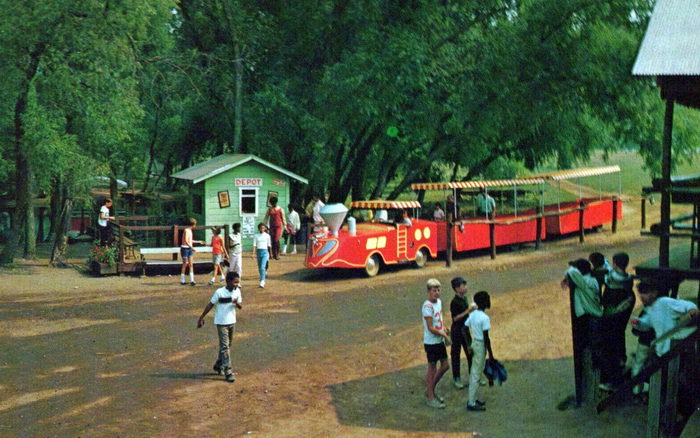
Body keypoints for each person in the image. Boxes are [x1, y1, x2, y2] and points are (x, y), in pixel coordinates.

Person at [632, 279, 699, 357]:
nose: (642, 296)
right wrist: (637, 322)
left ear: (654, 293)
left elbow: (686, 305)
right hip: (661, 349)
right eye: (640, 292)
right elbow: (646, 325)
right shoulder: (649, 310)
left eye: (645, 292)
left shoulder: (664, 302)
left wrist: (692, 309)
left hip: (673, 347)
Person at [196, 271, 242, 383]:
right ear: (228, 281)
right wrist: (201, 317)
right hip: (221, 323)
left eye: (238, 282)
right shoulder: (219, 292)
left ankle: (218, 364)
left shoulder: (237, 292)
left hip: (232, 322)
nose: (236, 285)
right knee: (225, 346)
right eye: (235, 282)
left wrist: (236, 303)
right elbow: (210, 304)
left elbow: (240, 306)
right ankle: (228, 371)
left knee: (227, 345)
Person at [599, 252, 634, 390]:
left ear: (614, 263)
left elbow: (607, 277)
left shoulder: (611, 279)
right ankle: (621, 360)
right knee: (619, 335)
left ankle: (611, 381)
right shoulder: (628, 278)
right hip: (624, 308)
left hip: (612, 313)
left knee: (609, 345)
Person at [422, 278, 450, 409]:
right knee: (432, 368)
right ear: (429, 292)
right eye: (434, 290)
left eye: (438, 290)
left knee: (445, 366)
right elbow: (430, 327)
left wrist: (444, 329)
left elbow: (438, 320)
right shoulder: (427, 306)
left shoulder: (438, 302)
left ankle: (430, 390)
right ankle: (430, 396)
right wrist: (443, 334)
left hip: (439, 340)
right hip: (431, 342)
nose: (437, 293)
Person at [465, 291, 495, 411]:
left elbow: (464, 328)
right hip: (481, 345)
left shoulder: (473, 314)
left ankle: (473, 399)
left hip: (474, 343)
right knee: (476, 374)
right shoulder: (485, 318)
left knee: (476, 371)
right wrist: (491, 354)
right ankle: (471, 402)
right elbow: (486, 338)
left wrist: (468, 345)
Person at [450, 277, 477, 390]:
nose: (465, 288)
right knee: (456, 355)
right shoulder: (454, 302)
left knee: (471, 353)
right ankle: (457, 379)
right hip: (457, 330)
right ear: (456, 289)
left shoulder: (465, 299)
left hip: (465, 329)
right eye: (462, 286)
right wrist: (468, 311)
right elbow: (455, 318)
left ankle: (473, 378)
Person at [180, 218, 204, 286]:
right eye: (195, 224)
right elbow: (186, 241)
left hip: (189, 249)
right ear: (193, 224)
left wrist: (198, 242)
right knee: (185, 264)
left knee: (191, 264)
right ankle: (182, 280)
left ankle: (192, 280)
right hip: (185, 248)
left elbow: (190, 240)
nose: (195, 226)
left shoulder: (190, 231)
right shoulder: (186, 230)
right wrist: (192, 248)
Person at [252, 223, 272, 288]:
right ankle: (261, 278)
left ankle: (262, 281)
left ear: (265, 228)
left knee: (262, 267)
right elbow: (254, 245)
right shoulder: (256, 236)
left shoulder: (267, 236)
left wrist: (271, 253)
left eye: (263, 228)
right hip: (259, 252)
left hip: (265, 252)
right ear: (259, 228)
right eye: (261, 228)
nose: (262, 229)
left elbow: (269, 245)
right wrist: (253, 253)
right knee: (260, 267)